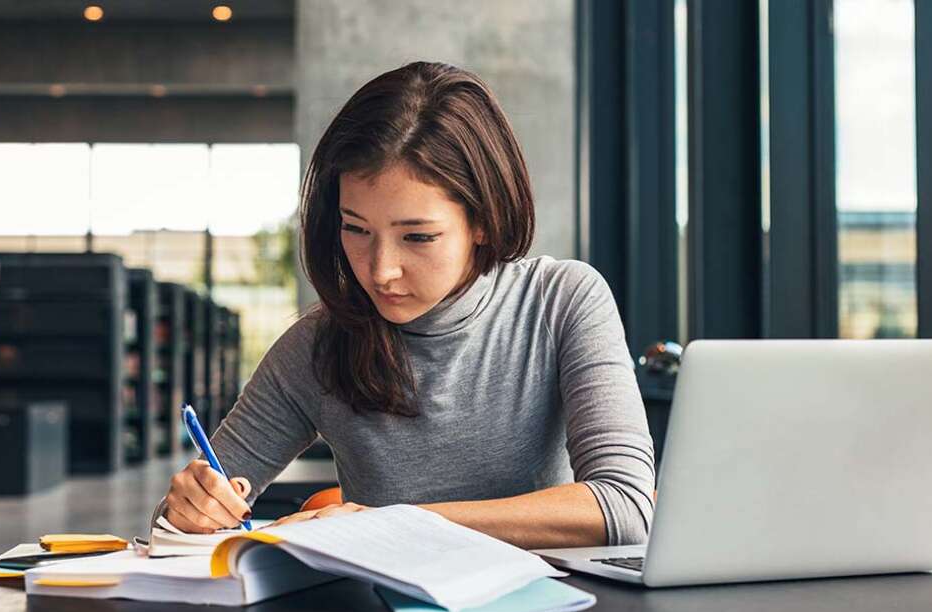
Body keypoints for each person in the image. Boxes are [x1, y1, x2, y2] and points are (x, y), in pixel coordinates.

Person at [155, 61, 654, 549]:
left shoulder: (560, 301)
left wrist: (396, 524)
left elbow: (625, 507)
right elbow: (172, 529)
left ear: (484, 220)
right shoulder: (316, 345)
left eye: (417, 236)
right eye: (356, 229)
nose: (380, 271)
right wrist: (189, 510)